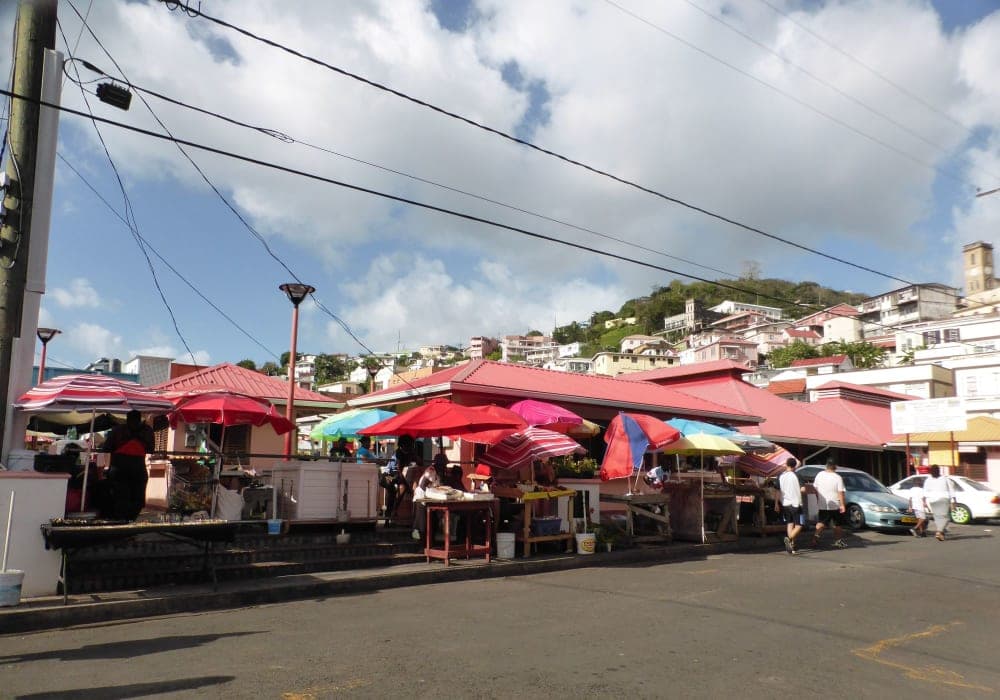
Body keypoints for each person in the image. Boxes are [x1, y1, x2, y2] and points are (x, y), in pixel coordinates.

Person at [101, 409, 155, 521]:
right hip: (138, 465)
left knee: (120, 495)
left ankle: (121, 519)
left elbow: (106, 448)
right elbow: (150, 449)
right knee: (137, 496)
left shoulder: (118, 429)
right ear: (140, 419)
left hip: (119, 465)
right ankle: (131, 519)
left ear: (127, 418)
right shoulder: (148, 430)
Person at [811, 458, 847, 549]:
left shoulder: (819, 475)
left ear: (826, 465)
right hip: (835, 504)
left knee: (821, 522)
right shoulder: (837, 477)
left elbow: (815, 489)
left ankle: (815, 538)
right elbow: (840, 492)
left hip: (822, 503)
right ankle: (838, 541)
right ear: (835, 466)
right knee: (837, 524)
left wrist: (818, 499)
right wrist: (842, 505)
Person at [774, 457, 804, 554]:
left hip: (785, 503)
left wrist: (776, 504)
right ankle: (789, 538)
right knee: (799, 525)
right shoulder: (797, 475)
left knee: (790, 523)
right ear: (795, 466)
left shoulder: (780, 476)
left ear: (786, 464)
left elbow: (777, 491)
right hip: (796, 503)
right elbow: (803, 489)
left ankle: (792, 545)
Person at [923, 464, 954, 541]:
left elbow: (925, 492)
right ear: (939, 471)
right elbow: (951, 490)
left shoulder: (928, 480)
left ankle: (941, 533)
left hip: (932, 500)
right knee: (946, 517)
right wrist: (953, 501)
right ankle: (939, 532)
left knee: (938, 517)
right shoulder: (945, 479)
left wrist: (924, 501)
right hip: (943, 499)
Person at [411, 464, 440, 541]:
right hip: (420, 499)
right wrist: (433, 492)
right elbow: (423, 486)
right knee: (420, 522)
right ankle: (419, 541)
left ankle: (427, 540)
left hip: (427, 499)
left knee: (431, 520)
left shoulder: (436, 475)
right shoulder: (430, 472)